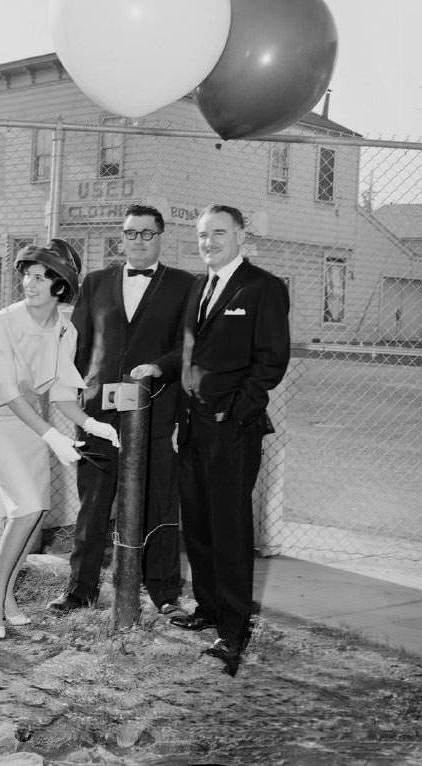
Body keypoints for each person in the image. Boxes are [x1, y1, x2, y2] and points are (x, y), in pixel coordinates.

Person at [142, 204, 290, 675]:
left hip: (233, 429)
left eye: (219, 234)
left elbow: (270, 362)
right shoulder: (198, 286)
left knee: (229, 530)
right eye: (203, 235)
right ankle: (208, 608)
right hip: (191, 426)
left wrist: (234, 410)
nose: (209, 242)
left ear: (241, 236)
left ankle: (233, 629)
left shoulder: (262, 287)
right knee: (200, 526)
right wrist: (158, 367)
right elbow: (190, 351)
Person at [47, 204, 195, 615]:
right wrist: (74, 398)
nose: (138, 241)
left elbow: (187, 347)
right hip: (99, 414)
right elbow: (78, 347)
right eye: (131, 233)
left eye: (147, 233)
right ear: (121, 237)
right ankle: (81, 590)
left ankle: (164, 593)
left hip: (155, 411)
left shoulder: (184, 285)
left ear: (161, 237)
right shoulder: (95, 283)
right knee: (93, 506)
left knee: (157, 504)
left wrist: (158, 368)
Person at [0, 239, 119, 639]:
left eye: (41, 277)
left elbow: (61, 395)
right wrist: (51, 435)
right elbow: (8, 392)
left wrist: (92, 426)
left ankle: (7, 598)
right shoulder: (5, 321)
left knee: (33, 512)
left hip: (30, 422)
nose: (30, 284)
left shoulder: (64, 330)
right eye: (28, 275)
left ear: (60, 286)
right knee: (29, 505)